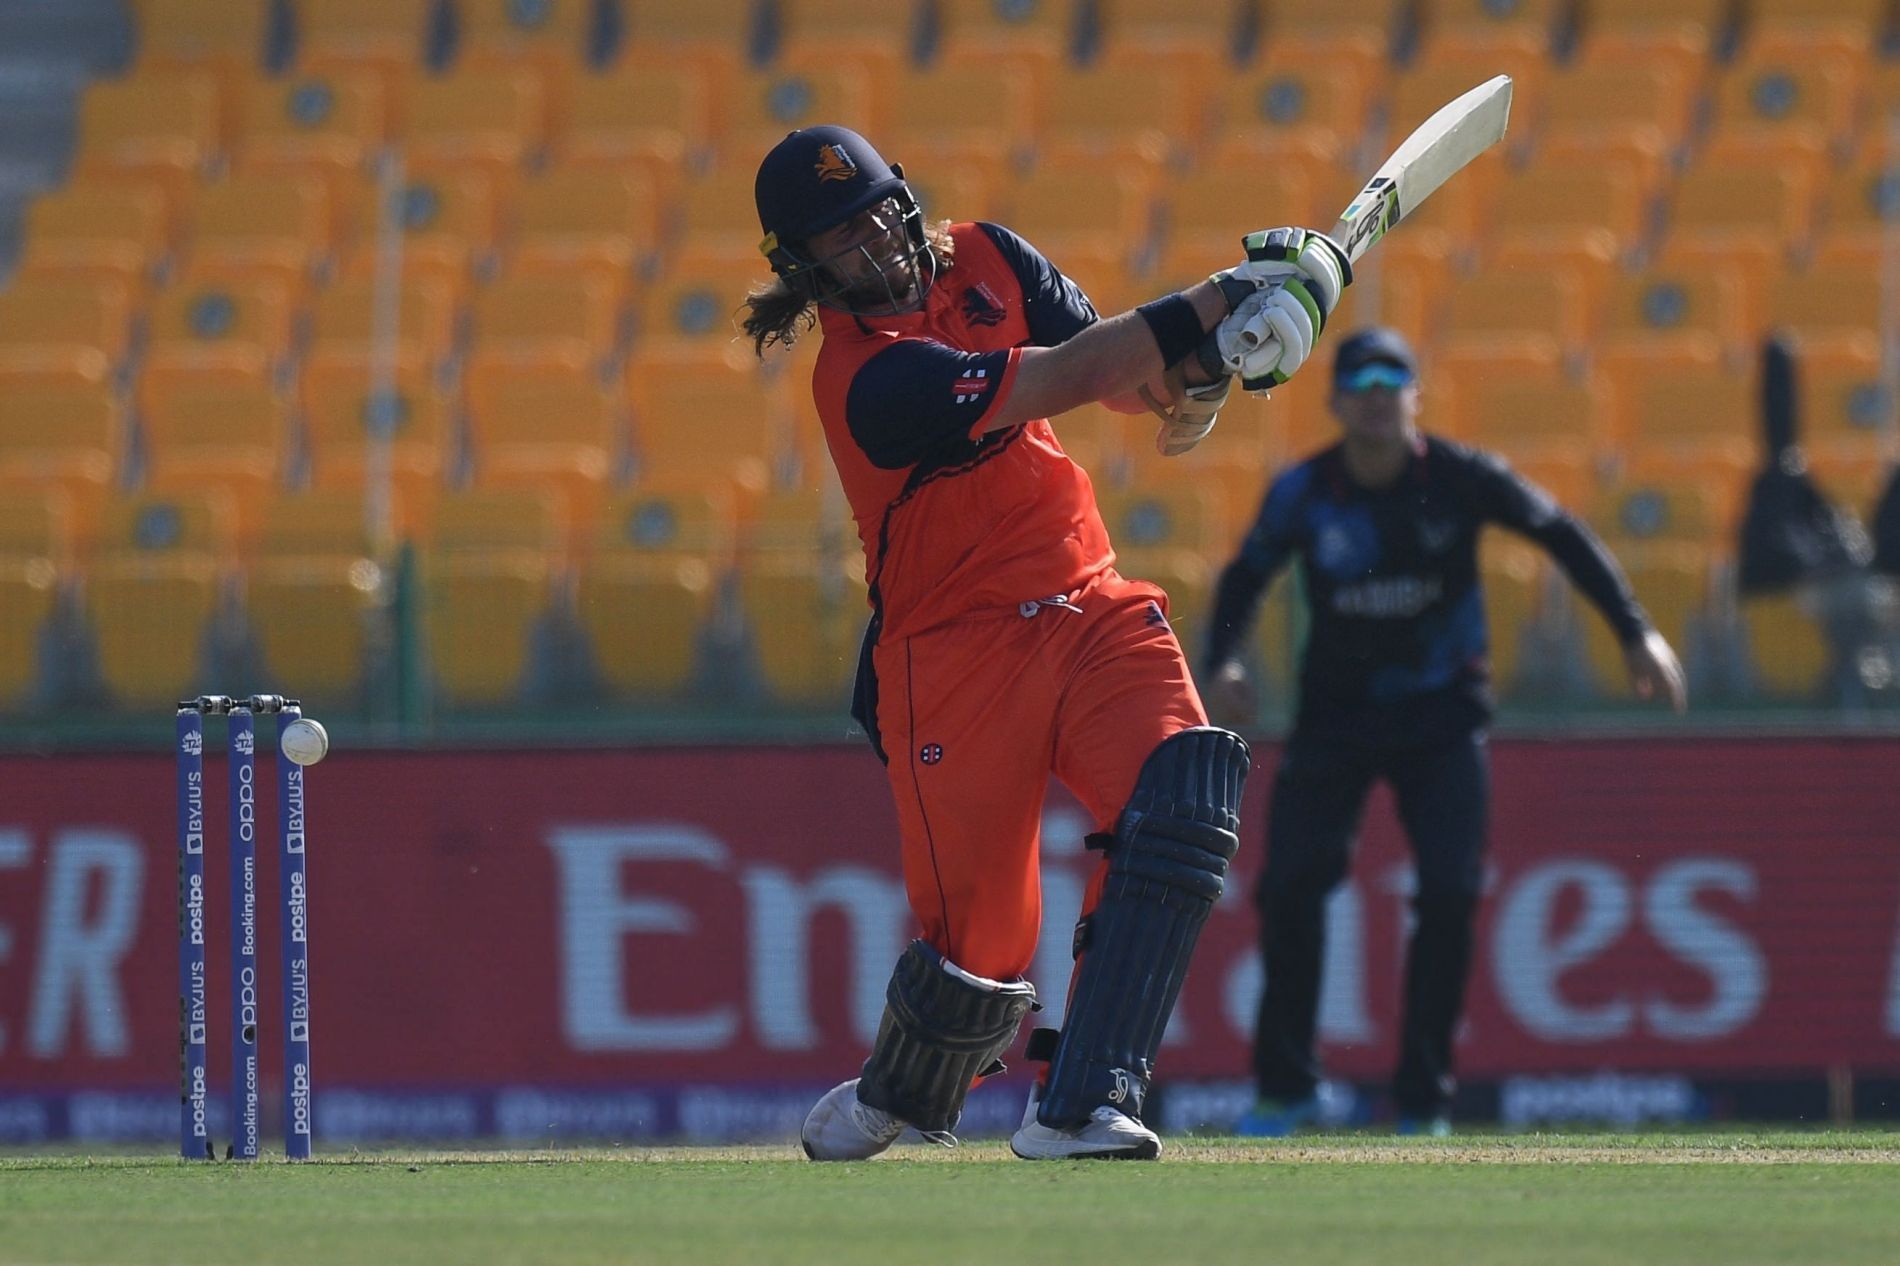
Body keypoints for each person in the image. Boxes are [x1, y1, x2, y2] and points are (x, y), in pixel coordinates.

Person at [742, 124, 1351, 1160]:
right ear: (805, 272)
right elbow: (1068, 374)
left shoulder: (986, 254)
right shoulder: (861, 378)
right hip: (951, 656)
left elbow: (1137, 386)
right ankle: (903, 1087)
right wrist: (1227, 287)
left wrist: (1227, 357)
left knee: (1180, 794)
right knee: (975, 960)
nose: (876, 246)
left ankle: (1083, 1103)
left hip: (1085, 599)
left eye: (880, 214)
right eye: (841, 240)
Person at [1202, 327, 1688, 1137]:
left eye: (1394, 380)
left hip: (1443, 714)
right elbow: (1246, 575)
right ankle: (1285, 1091)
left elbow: (1560, 533)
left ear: (1415, 397)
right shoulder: (1307, 491)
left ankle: (1423, 1101)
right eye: (1361, 382)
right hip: (1337, 716)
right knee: (1290, 889)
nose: (1378, 396)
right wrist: (1222, 662)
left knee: (1453, 895)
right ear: (1336, 402)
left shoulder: (1462, 478)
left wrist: (1637, 632)